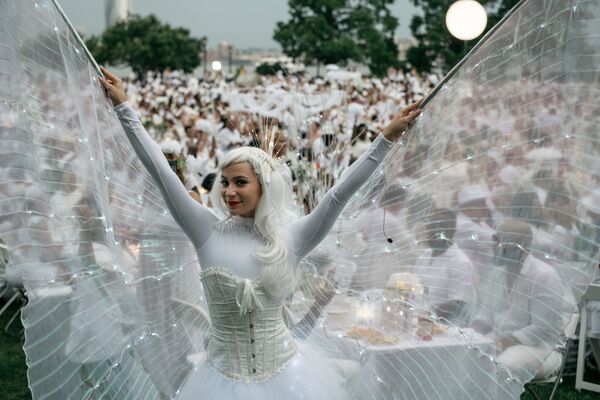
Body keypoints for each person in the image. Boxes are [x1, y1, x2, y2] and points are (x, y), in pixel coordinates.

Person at [99, 67, 422, 399]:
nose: (229, 192)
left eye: (241, 182)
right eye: (224, 182)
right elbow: (160, 171)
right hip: (219, 381)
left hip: (290, 378)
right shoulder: (205, 230)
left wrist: (385, 140)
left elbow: (339, 194)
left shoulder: (294, 237)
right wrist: (125, 108)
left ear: (264, 187)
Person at [471, 219, 564, 380]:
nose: (496, 249)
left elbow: (542, 328)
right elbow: (485, 314)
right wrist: (469, 335)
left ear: (523, 248)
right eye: (496, 242)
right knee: (463, 357)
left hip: (538, 348)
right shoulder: (498, 273)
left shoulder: (545, 276)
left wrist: (500, 344)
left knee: (500, 366)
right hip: (498, 340)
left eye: (503, 244)